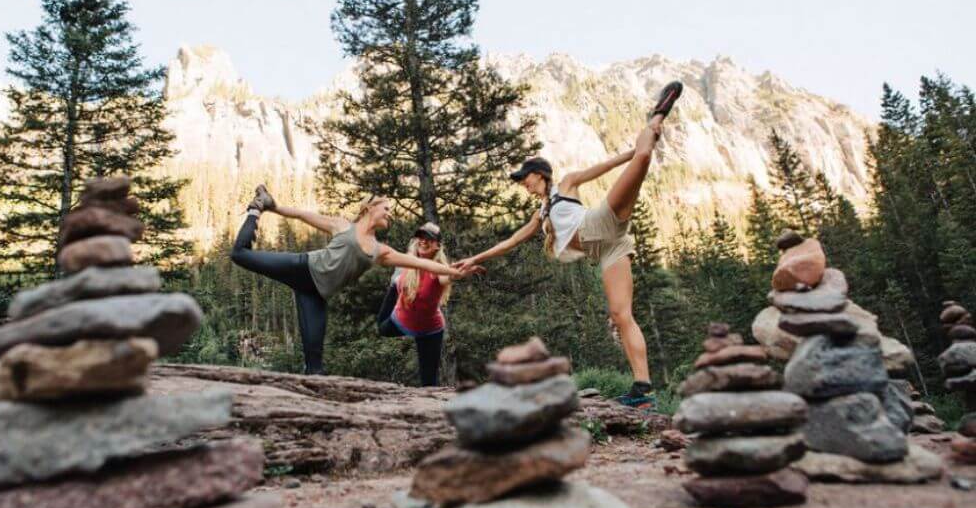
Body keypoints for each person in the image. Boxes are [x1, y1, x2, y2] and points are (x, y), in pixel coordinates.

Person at [456, 82, 684, 409]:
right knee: (621, 315)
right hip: (608, 249)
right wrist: (473, 258)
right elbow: (511, 241)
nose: (523, 184)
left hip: (601, 222)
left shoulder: (566, 184)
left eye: (525, 178)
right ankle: (643, 390)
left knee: (645, 155)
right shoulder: (541, 214)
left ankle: (656, 116)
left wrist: (634, 153)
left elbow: (606, 166)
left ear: (539, 174)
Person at [231, 188, 478, 375]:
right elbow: (302, 215)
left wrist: (453, 272)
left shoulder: (380, 250)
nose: (390, 214)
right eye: (386, 209)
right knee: (239, 255)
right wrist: (271, 207)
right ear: (370, 208)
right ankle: (254, 211)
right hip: (302, 268)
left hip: (315, 295)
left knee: (315, 366)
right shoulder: (342, 226)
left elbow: (422, 263)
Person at [376, 222, 452, 387]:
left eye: (429, 239)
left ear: (438, 245)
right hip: (400, 319)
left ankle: (431, 410)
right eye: (421, 237)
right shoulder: (406, 261)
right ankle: (395, 286)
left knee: (429, 381)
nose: (423, 241)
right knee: (382, 328)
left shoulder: (440, 269)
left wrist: (457, 273)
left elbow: (447, 277)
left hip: (429, 329)